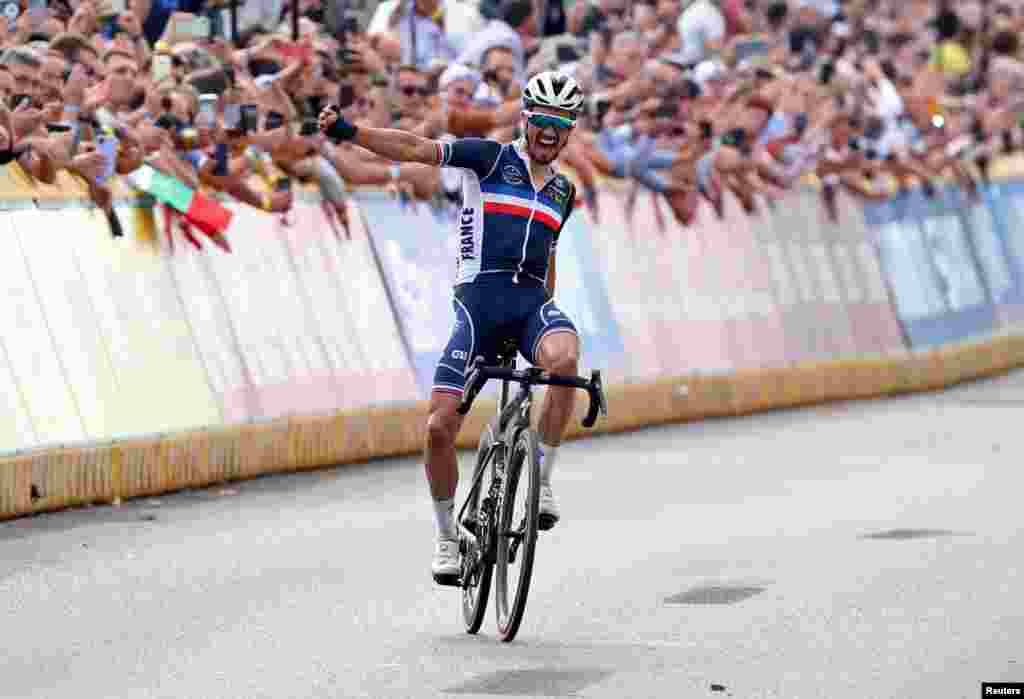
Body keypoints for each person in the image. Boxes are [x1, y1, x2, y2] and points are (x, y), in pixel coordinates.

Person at [319, 70, 585, 584]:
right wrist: (352, 133)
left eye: (561, 124)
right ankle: (446, 538)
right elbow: (415, 148)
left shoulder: (564, 190)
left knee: (567, 363)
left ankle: (544, 483)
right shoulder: (489, 159)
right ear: (526, 120)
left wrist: (546, 317)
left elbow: (549, 254)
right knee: (439, 428)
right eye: (543, 122)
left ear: (571, 129)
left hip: (531, 308)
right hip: (477, 310)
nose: (550, 134)